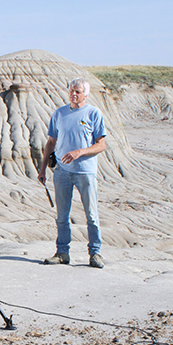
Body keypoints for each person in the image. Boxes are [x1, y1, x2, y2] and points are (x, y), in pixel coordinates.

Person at [39, 78, 107, 268]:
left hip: (85, 171)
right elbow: (51, 142)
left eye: (78, 91)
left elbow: (101, 145)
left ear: (86, 94)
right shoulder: (59, 113)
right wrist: (43, 169)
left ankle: (95, 253)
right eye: (71, 90)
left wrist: (80, 152)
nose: (73, 94)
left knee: (91, 215)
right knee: (62, 216)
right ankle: (62, 253)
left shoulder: (93, 113)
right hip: (61, 171)